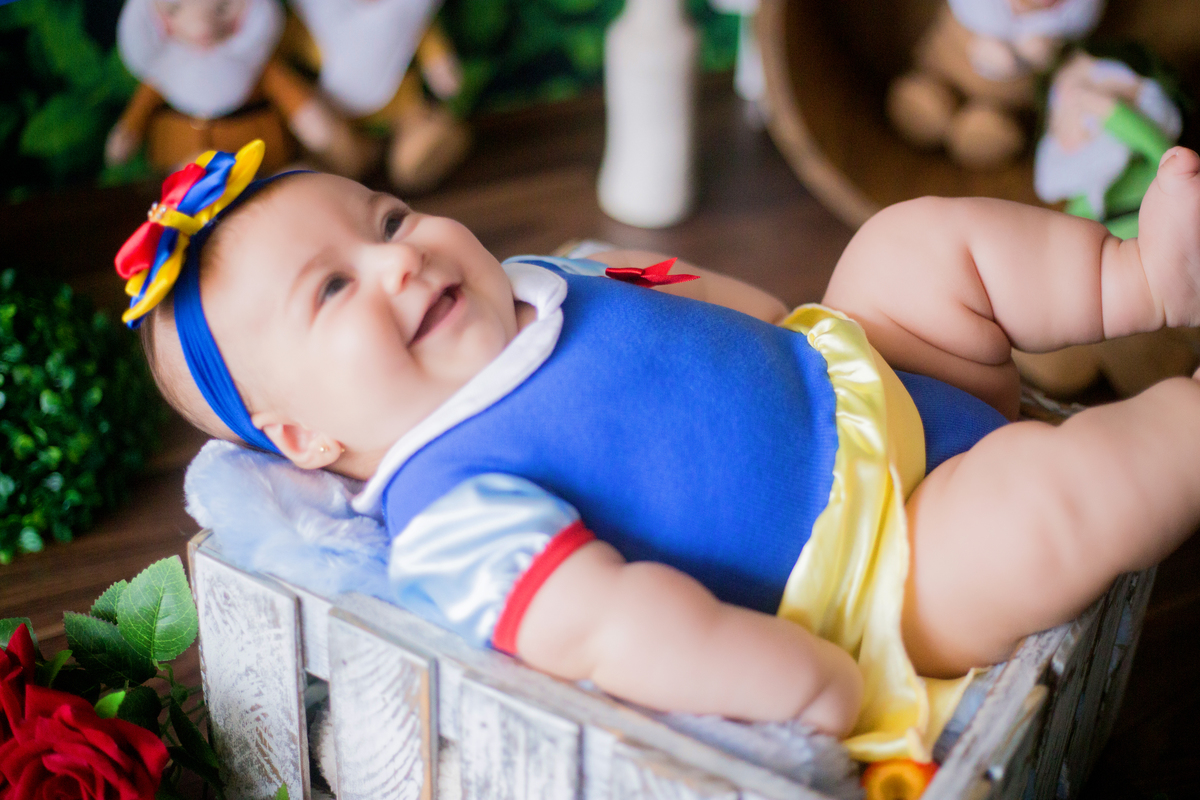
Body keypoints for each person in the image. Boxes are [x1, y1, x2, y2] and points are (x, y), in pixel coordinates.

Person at [116, 139, 1200, 762]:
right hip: (888, 560)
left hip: (863, 371)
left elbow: (691, 297)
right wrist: (791, 677)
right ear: (312, 438)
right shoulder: (445, 508)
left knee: (911, 243)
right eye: (336, 287)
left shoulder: (533, 278)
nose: (398, 259)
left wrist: (780, 320)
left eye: (388, 219)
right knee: (1047, 494)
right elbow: (606, 623)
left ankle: (1148, 280)